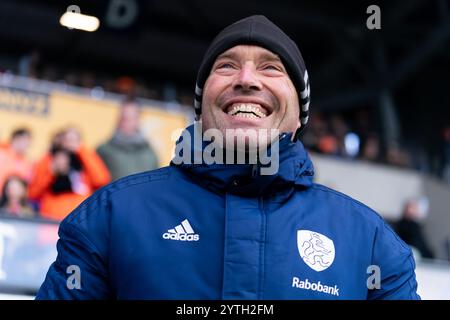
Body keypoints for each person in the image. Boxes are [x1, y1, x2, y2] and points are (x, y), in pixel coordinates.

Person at [36, 15, 419, 299]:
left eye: (271, 67)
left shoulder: (371, 243)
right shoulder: (108, 217)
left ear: (299, 114)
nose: (247, 79)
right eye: (227, 65)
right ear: (202, 107)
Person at [28, 127, 111, 221]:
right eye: (67, 140)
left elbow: (101, 180)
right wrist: (51, 171)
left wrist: (82, 151)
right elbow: (33, 193)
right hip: (50, 219)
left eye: (74, 140)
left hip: (79, 220)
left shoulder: (85, 160)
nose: (70, 143)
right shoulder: (48, 159)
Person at [97, 99, 159, 181]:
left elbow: (155, 183)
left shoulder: (149, 153)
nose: (125, 123)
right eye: (123, 118)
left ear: (137, 120)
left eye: (129, 119)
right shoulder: (104, 150)